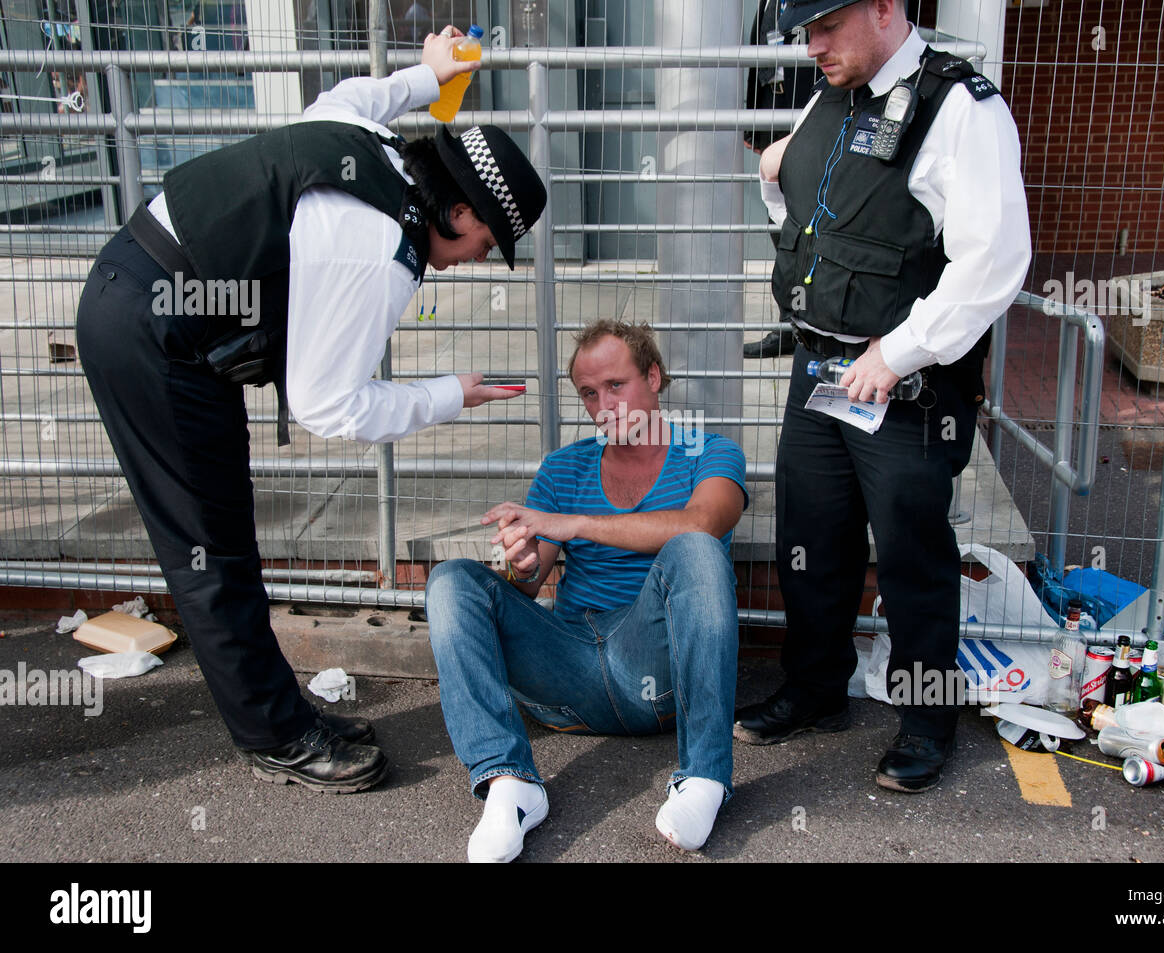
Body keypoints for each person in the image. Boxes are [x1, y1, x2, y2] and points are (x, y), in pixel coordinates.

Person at [75, 27, 547, 794]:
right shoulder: (381, 248)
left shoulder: (367, 136)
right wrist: (448, 394)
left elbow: (375, 91)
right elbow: (326, 403)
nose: (476, 262)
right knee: (211, 551)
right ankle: (278, 735)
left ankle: (279, 713)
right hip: (152, 335)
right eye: (488, 243)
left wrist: (430, 74)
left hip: (152, 299)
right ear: (458, 211)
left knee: (221, 532)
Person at [733, 0, 1031, 792]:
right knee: (813, 541)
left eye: (826, 26)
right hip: (820, 369)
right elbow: (810, 211)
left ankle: (927, 721)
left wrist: (895, 355)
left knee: (912, 560)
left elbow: (994, 262)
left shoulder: (962, 109)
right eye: (805, 33)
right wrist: (774, 177)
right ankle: (815, 687)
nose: (813, 46)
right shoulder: (836, 88)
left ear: (885, 8)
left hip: (910, 389)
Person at [425, 320, 748, 862]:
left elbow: (703, 523)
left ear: (654, 377)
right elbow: (526, 585)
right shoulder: (564, 467)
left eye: (616, 385)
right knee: (452, 581)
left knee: (696, 548)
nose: (604, 405)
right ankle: (510, 785)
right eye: (589, 393)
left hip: (655, 664)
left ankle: (704, 779)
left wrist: (573, 524)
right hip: (568, 665)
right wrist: (520, 563)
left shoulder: (710, 452)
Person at [742, 0, 819, 360]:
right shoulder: (771, 1)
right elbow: (760, 52)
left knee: (808, 227)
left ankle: (806, 322)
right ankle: (792, 322)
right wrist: (755, 126)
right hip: (779, 118)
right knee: (780, 226)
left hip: (820, 115)